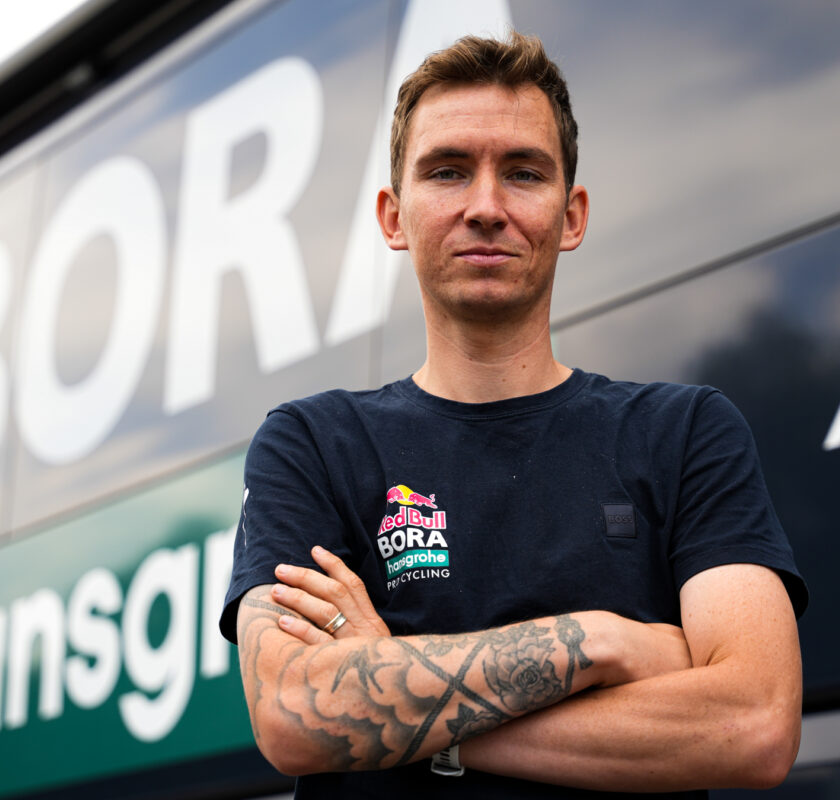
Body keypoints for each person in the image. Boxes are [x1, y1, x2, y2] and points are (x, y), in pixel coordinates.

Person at [218, 30, 807, 798]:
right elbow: (296, 714)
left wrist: (398, 693)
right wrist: (605, 643)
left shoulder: (686, 432)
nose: (486, 207)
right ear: (393, 218)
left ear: (572, 216)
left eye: (524, 173)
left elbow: (753, 724)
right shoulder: (309, 445)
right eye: (448, 171)